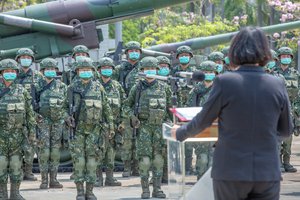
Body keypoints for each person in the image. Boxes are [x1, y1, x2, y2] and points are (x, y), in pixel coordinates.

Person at [172, 27, 293, 200]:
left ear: (235, 50)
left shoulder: (225, 82)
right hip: (267, 171)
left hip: (230, 170)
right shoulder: (277, 83)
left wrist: (180, 132)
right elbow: (286, 130)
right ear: (265, 51)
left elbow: (203, 120)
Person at [122, 56, 172, 199]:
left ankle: (157, 189)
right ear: (142, 70)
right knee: (144, 161)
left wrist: (171, 122)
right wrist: (132, 117)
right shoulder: (137, 88)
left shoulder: (165, 88)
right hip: (143, 128)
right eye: (146, 69)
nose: (149, 71)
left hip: (159, 128)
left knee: (158, 160)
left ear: (157, 70)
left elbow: (170, 109)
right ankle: (145, 190)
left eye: (152, 69)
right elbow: (126, 106)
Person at [65, 57, 114, 200]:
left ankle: (90, 191)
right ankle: (80, 192)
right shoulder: (71, 88)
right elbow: (63, 108)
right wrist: (66, 117)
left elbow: (106, 109)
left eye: (88, 70)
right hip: (78, 131)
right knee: (79, 162)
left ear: (92, 71)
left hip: (95, 131)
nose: (85, 72)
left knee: (92, 162)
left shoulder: (98, 88)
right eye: (82, 70)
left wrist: (110, 126)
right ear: (77, 71)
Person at [0, 59, 36, 200]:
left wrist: (32, 132)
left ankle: (15, 193)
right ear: (1, 73)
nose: (10, 74)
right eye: (7, 72)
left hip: (18, 135)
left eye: (12, 71)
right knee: (1, 164)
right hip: (1, 135)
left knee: (16, 164)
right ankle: (2, 194)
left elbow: (29, 113)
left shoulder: (22, 91)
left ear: (16, 73)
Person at [35, 58, 67, 189]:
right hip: (42, 123)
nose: (50, 71)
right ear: (42, 71)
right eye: (47, 69)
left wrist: (65, 117)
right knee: (44, 152)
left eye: (52, 69)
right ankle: (43, 180)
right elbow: (30, 106)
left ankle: (53, 179)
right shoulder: (36, 86)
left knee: (55, 151)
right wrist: (36, 117)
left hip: (57, 123)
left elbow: (66, 106)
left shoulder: (62, 86)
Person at [95, 57, 125, 187]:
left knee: (111, 153)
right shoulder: (94, 86)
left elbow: (124, 105)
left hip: (114, 126)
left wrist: (123, 122)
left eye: (109, 68)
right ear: (99, 70)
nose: (106, 70)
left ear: (112, 70)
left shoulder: (117, 86)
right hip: (98, 125)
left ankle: (110, 178)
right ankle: (97, 178)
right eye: (104, 68)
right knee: (97, 152)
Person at [15, 48, 44, 181]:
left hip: (32, 115)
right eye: (23, 57)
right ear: (18, 59)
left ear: (32, 60)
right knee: (16, 144)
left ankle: (28, 172)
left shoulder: (37, 76)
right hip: (15, 115)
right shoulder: (13, 74)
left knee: (30, 145)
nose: (25, 59)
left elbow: (42, 96)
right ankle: (18, 171)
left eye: (28, 57)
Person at [114, 41, 142, 177]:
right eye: (131, 51)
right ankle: (126, 167)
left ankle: (137, 168)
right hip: (125, 107)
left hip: (141, 108)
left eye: (136, 50)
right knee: (127, 140)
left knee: (139, 140)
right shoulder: (119, 69)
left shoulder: (144, 68)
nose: (134, 53)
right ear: (126, 53)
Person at [187, 61, 217, 180]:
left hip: (217, 129)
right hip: (201, 130)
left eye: (211, 72)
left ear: (216, 73)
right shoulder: (195, 91)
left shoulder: (221, 89)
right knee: (202, 159)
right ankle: (200, 183)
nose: (208, 74)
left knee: (214, 159)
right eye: (206, 72)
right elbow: (189, 110)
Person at [274, 46, 299, 173]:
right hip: (276, 109)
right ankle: (278, 163)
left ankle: (287, 162)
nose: (286, 58)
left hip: (291, 109)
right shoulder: (273, 73)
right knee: (277, 136)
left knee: (288, 136)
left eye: (288, 56)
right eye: (283, 56)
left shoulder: (296, 74)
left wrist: (298, 114)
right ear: (279, 58)